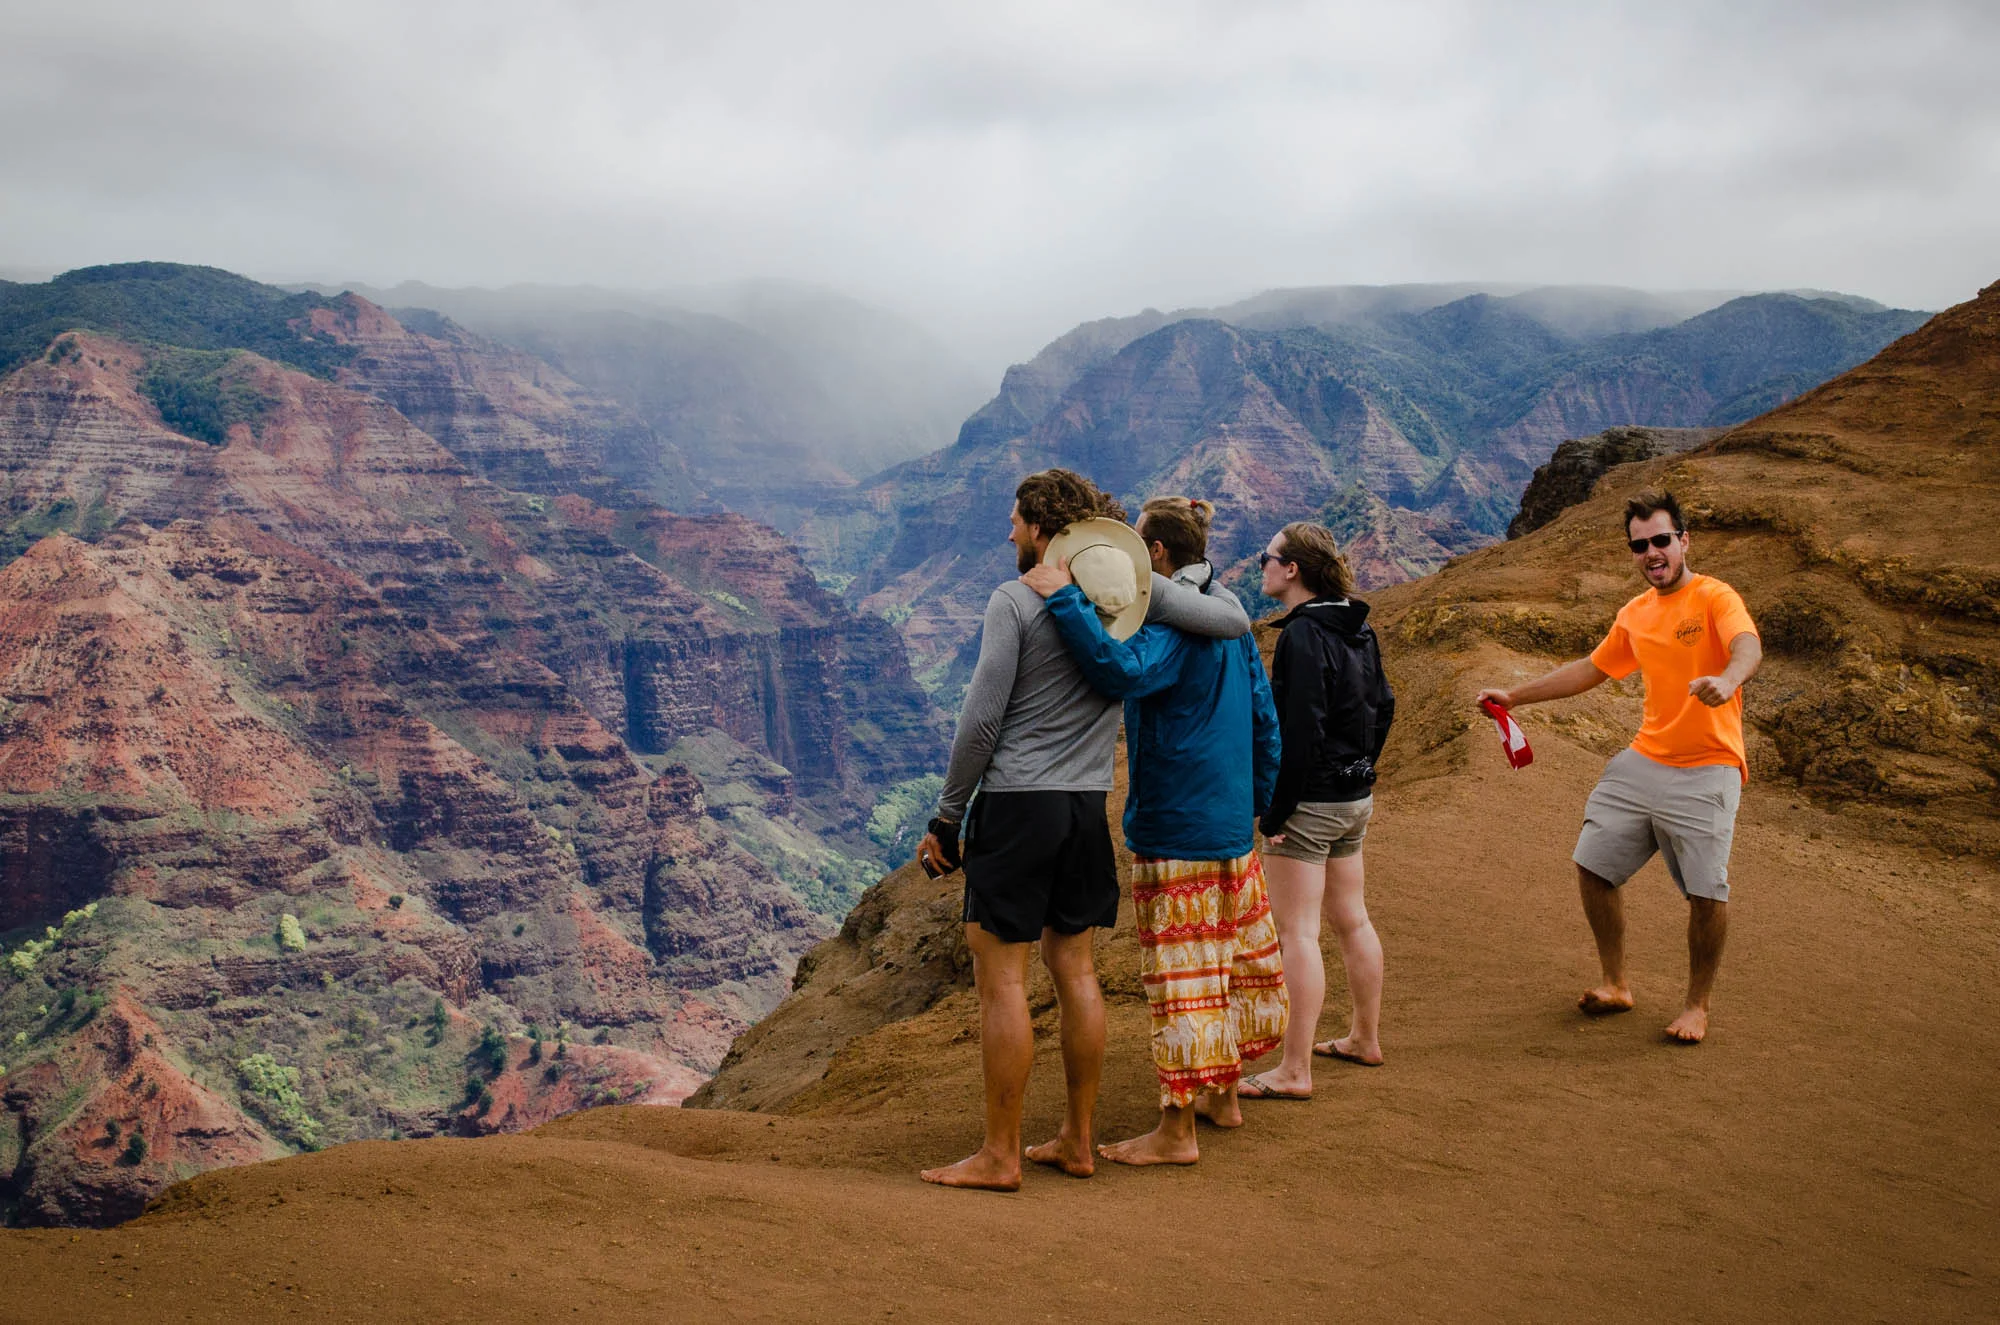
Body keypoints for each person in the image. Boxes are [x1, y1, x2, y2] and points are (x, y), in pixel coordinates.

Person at [915, 469, 1252, 1191]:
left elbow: (980, 722)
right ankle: (1077, 1137)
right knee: (1077, 971)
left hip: (1019, 804)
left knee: (1002, 980)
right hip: (1084, 805)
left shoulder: (1014, 600)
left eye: (1014, 519)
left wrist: (948, 814)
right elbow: (1228, 620)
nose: (1007, 532)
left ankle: (1001, 1154)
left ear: (1042, 528)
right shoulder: (1125, 598)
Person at [1020, 496, 1286, 1166]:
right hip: (1228, 824)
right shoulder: (1227, 613)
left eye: (1139, 546)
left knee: (1181, 976)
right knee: (1219, 964)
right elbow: (1263, 716)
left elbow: (1122, 671)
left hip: (1178, 826)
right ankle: (1220, 1096)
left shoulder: (1171, 624)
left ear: (1158, 555)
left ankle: (1176, 1130)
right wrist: (1258, 803)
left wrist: (1065, 602)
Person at [1476, 489, 1761, 1044]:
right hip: (1644, 759)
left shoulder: (1715, 597)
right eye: (1640, 546)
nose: (1652, 553)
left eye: (1661, 540)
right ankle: (1615, 984)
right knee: (1593, 866)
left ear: (1683, 540)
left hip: (1709, 766)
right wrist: (1516, 696)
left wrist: (1728, 681)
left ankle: (1696, 1006)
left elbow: (1747, 646)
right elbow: (1592, 669)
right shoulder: (1635, 613)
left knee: (1706, 893)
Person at [1241, 522, 1394, 1101]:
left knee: (1297, 932)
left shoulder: (1304, 635)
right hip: (1353, 799)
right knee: (1352, 918)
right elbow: (1386, 704)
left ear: (1293, 570)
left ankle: (1294, 1071)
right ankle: (1364, 1037)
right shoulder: (1358, 624)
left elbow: (1299, 733)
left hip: (1311, 804)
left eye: (1267, 557)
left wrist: (1276, 813)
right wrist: (1361, 766)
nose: (1262, 566)